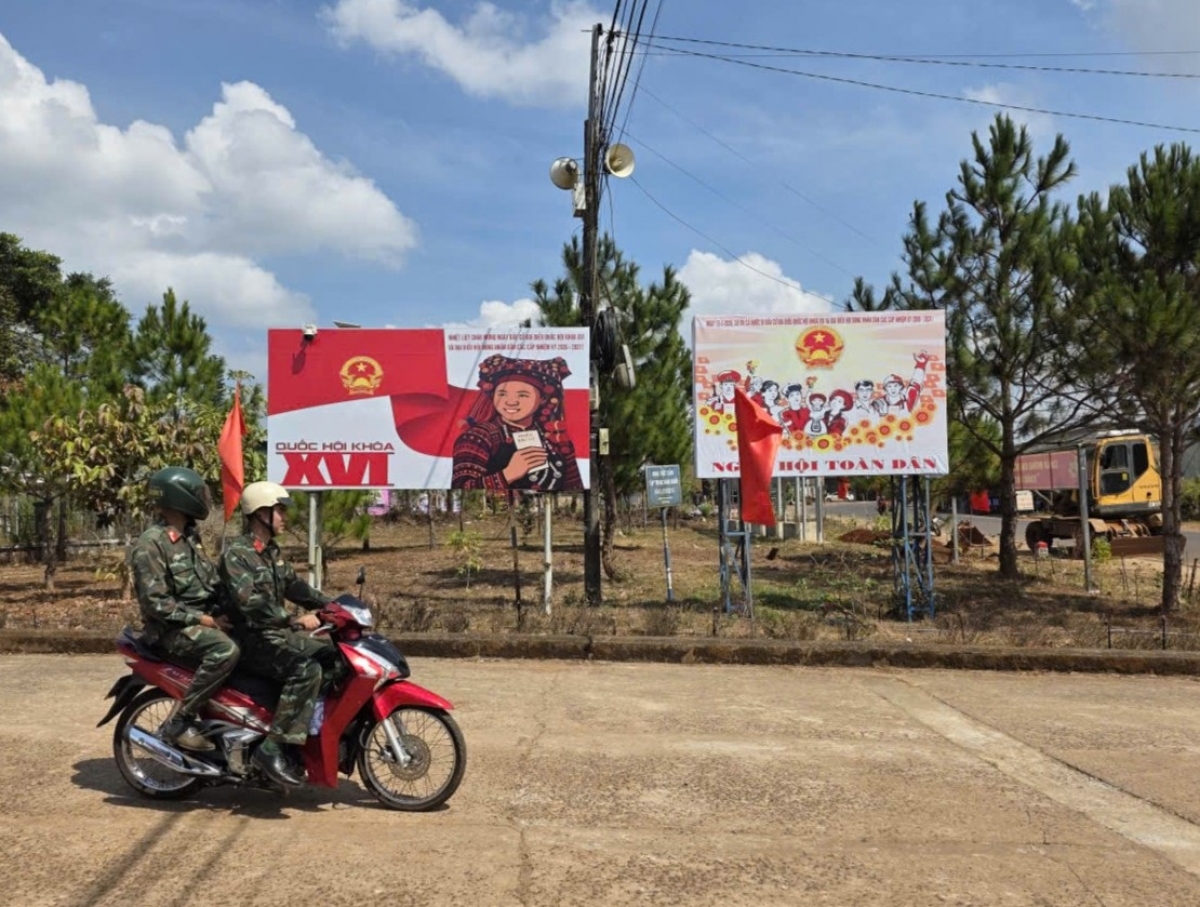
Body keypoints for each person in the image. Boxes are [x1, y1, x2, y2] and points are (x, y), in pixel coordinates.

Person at [219, 481, 333, 787]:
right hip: (253, 640)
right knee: (305, 671)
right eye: (279, 510)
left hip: (276, 636)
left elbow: (294, 587)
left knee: (332, 657)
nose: (284, 517)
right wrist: (294, 620)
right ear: (260, 513)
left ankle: (302, 742)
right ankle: (271, 750)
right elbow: (250, 604)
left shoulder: (271, 553)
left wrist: (333, 605)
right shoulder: (238, 554)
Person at [130, 466, 238, 752]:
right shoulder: (151, 544)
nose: (203, 500)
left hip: (200, 621)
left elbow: (209, 582)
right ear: (179, 498)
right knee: (224, 651)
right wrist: (204, 619)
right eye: (198, 494)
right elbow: (156, 603)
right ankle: (181, 720)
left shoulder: (189, 537)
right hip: (169, 631)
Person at [451, 354, 582, 492]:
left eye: (522, 395)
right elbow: (460, 489)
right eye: (502, 394)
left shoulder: (556, 439)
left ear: (543, 398)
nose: (511, 401)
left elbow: (574, 488)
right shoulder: (479, 436)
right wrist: (509, 474)